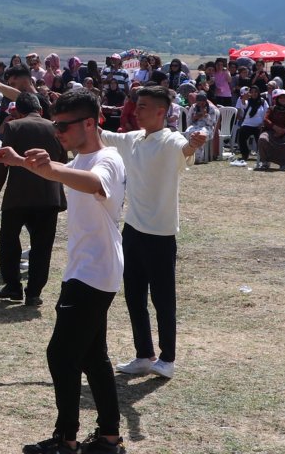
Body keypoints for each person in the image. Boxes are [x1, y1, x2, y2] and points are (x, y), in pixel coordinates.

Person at [0, 88, 126, 454]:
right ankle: (108, 438)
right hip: (88, 268)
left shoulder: (107, 159)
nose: (57, 133)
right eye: (55, 124)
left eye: (64, 126)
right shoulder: (80, 158)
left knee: (62, 355)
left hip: (94, 272)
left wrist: (49, 166)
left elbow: (95, 184)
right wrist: (21, 162)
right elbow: (68, 175)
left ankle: (66, 440)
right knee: (92, 356)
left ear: (89, 122)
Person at [100, 85, 205, 381]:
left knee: (162, 300)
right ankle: (144, 354)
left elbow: (185, 149)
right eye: (137, 105)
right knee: (134, 296)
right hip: (132, 230)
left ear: (162, 112)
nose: (137, 110)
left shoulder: (170, 141)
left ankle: (167, 358)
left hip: (160, 236)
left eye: (144, 106)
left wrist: (194, 143)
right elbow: (102, 136)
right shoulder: (133, 139)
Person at [0, 92, 66, 306]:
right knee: (43, 245)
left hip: (18, 196)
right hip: (49, 195)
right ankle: (34, 293)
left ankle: (13, 287)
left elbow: (3, 161)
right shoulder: (55, 126)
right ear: (40, 109)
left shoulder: (13, 127)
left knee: (9, 241)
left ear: (18, 112)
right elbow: (62, 159)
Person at [256, 89, 285, 171]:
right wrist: (275, 127)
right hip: (271, 132)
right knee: (263, 138)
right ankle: (265, 162)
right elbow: (265, 120)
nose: (283, 99)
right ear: (277, 99)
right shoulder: (271, 109)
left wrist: (284, 130)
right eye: (281, 98)